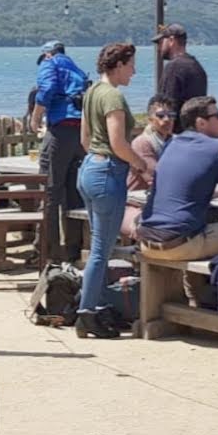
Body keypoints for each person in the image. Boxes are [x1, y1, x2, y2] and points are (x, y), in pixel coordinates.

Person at [137, 96, 218, 263]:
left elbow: (186, 189)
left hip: (147, 242)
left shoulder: (171, 144)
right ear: (201, 123)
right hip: (178, 245)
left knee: (201, 228)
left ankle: (197, 289)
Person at [74, 42, 146, 339]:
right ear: (118, 65)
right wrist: (140, 163)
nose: (134, 71)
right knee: (101, 250)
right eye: (131, 65)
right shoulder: (113, 97)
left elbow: (84, 138)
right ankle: (86, 314)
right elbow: (118, 143)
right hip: (108, 172)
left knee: (97, 247)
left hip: (89, 167)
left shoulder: (91, 92)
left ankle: (97, 306)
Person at [31, 40, 90, 263]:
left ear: (47, 54)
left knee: (50, 192)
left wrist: (35, 117)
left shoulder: (50, 63)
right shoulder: (77, 69)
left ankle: (48, 252)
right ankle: (73, 249)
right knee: (74, 193)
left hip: (59, 131)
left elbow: (46, 89)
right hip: (80, 133)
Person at [125, 95, 176, 238]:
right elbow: (154, 176)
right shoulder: (143, 143)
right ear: (150, 119)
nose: (167, 120)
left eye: (171, 115)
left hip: (165, 199)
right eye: (160, 115)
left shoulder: (174, 140)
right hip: (137, 201)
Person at [154, 24, 207, 130]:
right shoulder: (197, 66)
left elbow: (167, 107)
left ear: (171, 40)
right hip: (194, 132)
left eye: (160, 42)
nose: (159, 48)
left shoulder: (174, 67)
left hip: (176, 136)